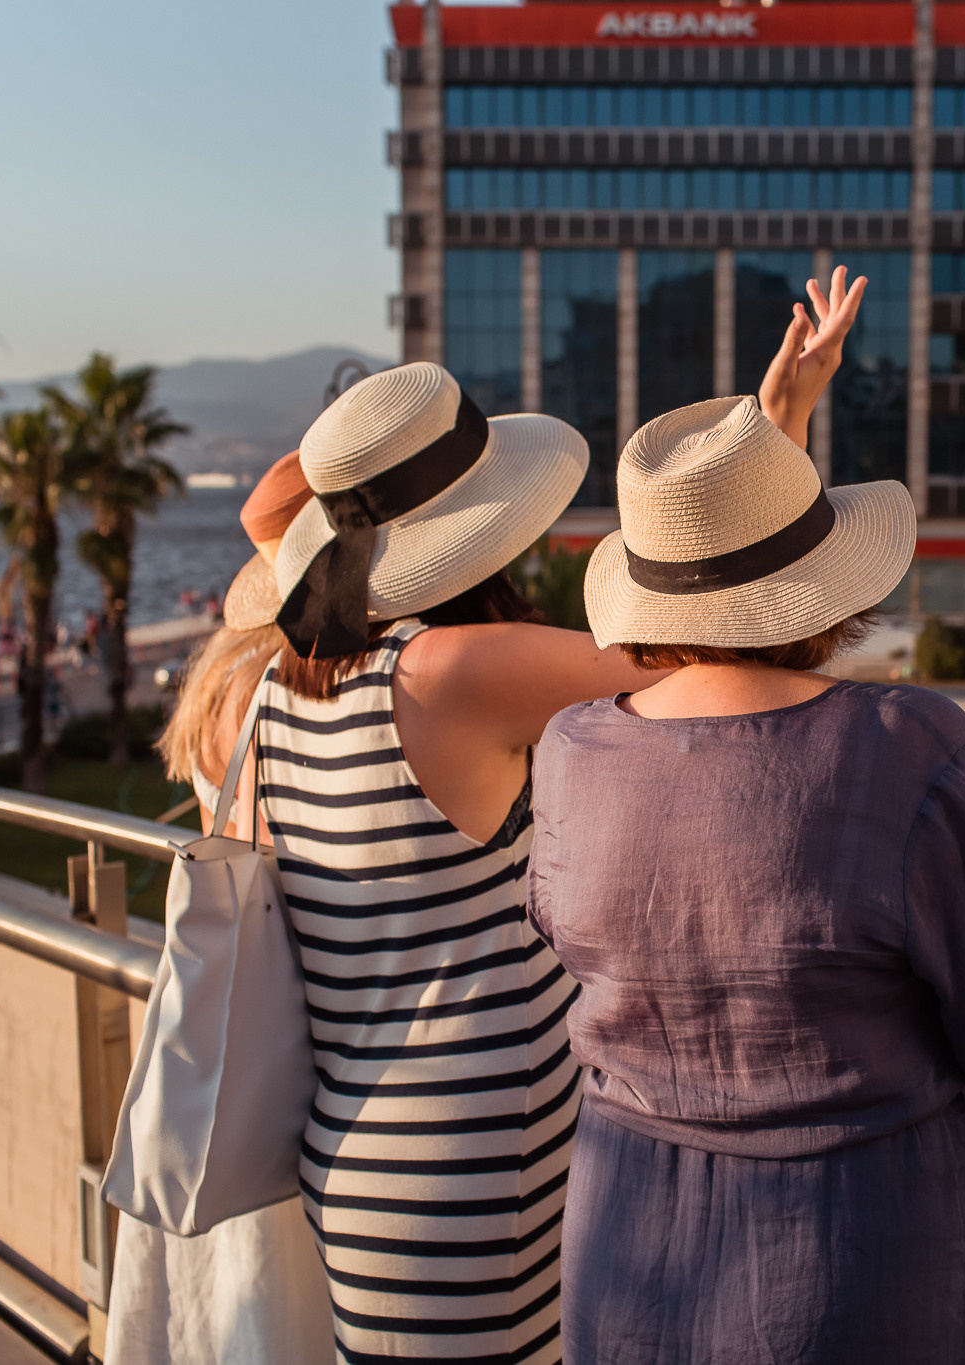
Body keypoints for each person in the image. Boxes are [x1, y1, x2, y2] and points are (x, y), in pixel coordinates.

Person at [526, 268, 965, 1364]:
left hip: (623, 1266)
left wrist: (774, 433)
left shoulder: (573, 752)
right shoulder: (905, 748)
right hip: (843, 1275)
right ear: (824, 586)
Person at [250, 321, 848, 1361]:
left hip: (364, 1155)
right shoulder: (447, 672)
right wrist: (772, 443)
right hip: (474, 1168)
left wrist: (777, 429)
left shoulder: (282, 690)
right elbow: (703, 660)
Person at [105, 452, 334, 1365]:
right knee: (283, 1292)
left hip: (224, 1014)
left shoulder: (223, 672)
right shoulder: (286, 684)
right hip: (296, 1027)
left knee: (228, 1305)